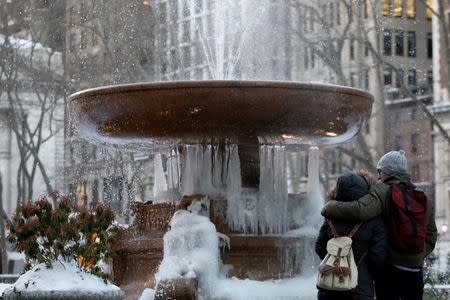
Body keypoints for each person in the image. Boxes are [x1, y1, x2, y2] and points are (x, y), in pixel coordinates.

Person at [321, 150, 438, 300]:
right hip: (415, 271)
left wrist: (330, 207)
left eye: (380, 171)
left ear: (387, 172)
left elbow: (360, 210)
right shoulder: (422, 196)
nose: (378, 176)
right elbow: (432, 234)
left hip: (390, 269)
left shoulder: (383, 190)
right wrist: (416, 256)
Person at [316, 171, 387, 300]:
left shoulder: (330, 216)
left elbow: (320, 247)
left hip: (330, 286)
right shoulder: (375, 220)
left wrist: (338, 262)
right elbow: (378, 258)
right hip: (360, 288)